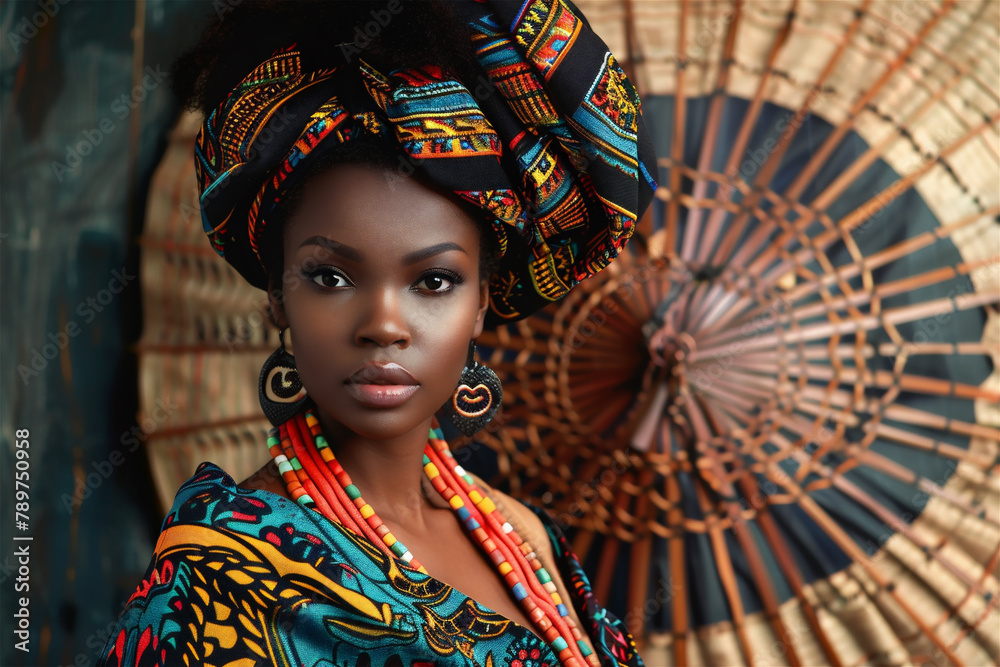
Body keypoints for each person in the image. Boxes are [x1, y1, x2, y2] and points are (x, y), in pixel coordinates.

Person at [99, 1, 657, 665]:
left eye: (434, 282)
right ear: (277, 294)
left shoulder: (525, 536)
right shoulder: (216, 581)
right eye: (331, 277)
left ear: (483, 300)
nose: (384, 325)